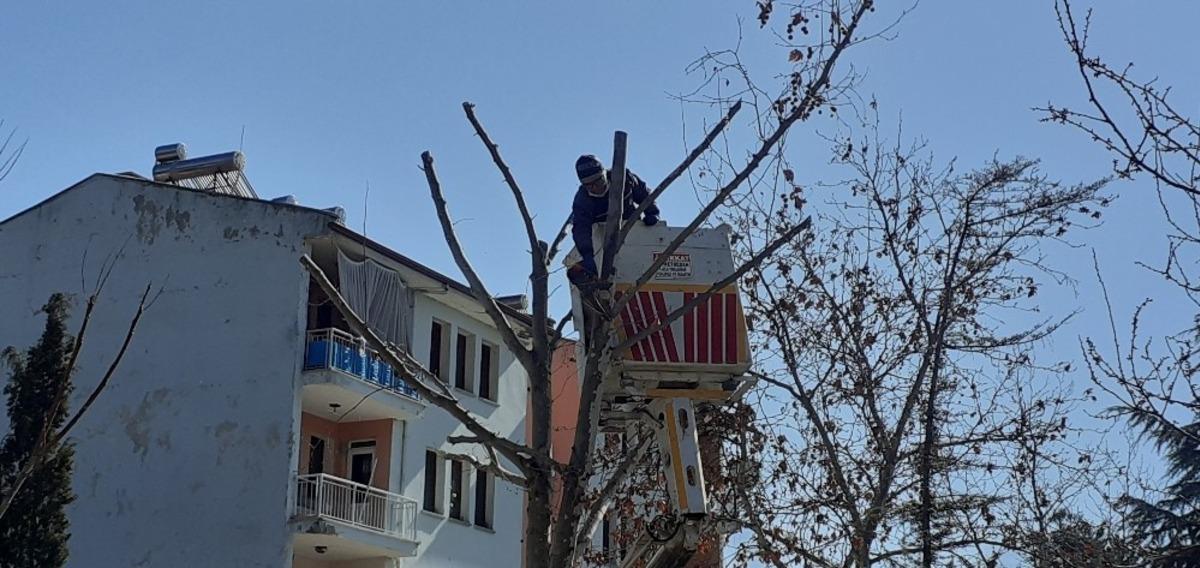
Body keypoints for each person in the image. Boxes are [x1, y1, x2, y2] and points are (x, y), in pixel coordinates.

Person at [570, 154, 660, 280]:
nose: (595, 187)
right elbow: (581, 229)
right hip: (603, 238)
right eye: (589, 185)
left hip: (633, 231)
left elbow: (644, 193)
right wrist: (587, 255)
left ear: (604, 174)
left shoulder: (624, 178)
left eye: (598, 181)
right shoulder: (582, 201)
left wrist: (652, 212)